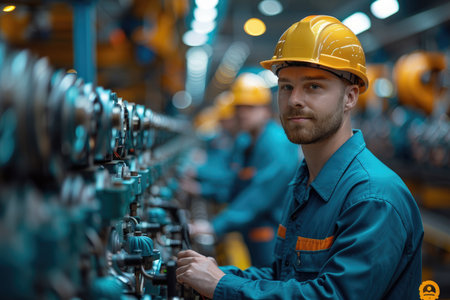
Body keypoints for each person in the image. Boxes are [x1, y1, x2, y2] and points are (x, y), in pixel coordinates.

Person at [176, 15, 423, 299]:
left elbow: (332, 296)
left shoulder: (373, 198)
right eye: (286, 86)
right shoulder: (305, 182)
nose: (294, 99)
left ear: (350, 97)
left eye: (313, 86)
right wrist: (218, 274)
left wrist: (222, 286)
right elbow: (284, 277)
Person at [189, 72, 300, 267]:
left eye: (250, 107)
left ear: (266, 110)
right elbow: (234, 182)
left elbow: (259, 196)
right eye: (239, 107)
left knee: (268, 281)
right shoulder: (246, 141)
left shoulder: (277, 145)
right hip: (252, 227)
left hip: (272, 230)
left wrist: (214, 226)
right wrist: (202, 187)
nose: (243, 113)